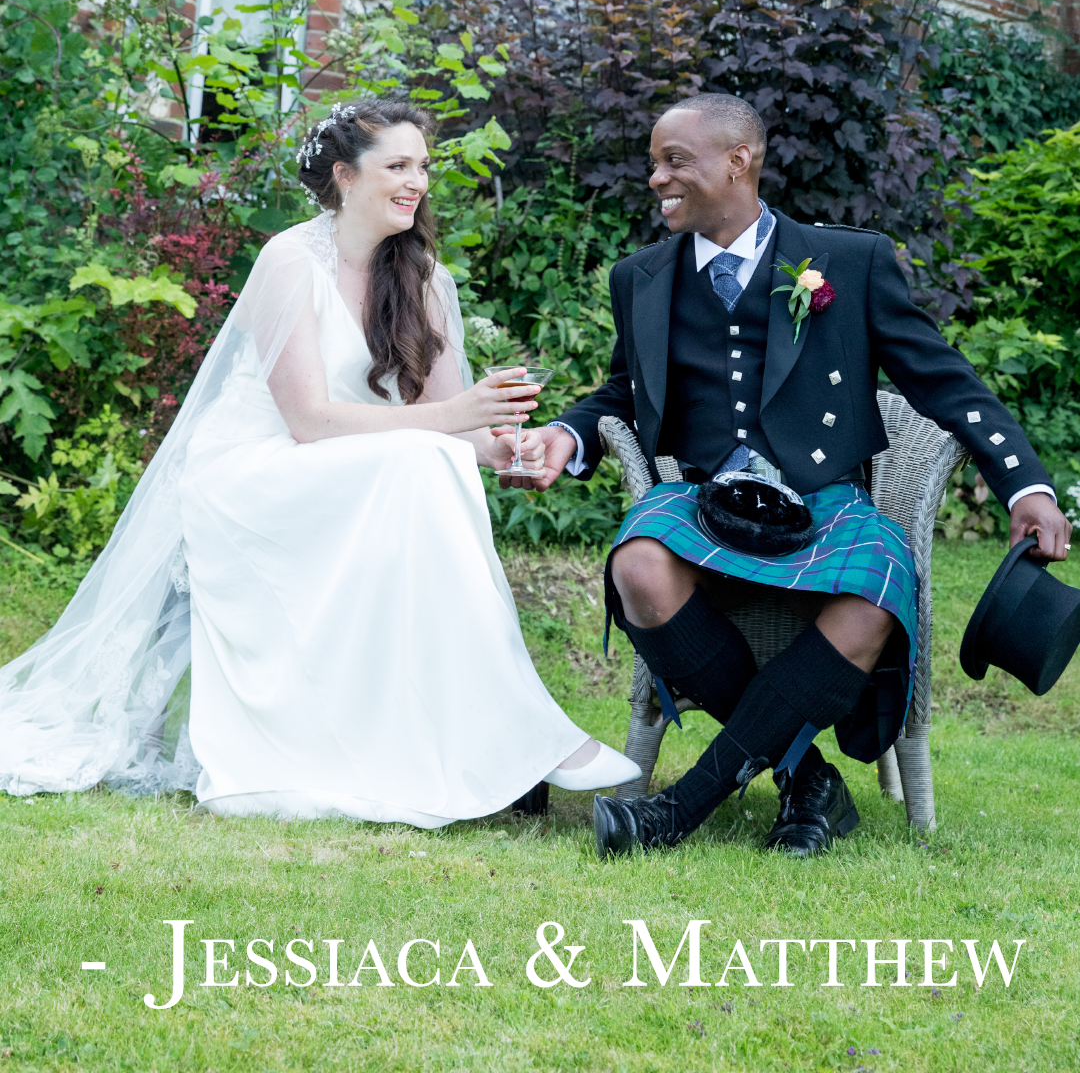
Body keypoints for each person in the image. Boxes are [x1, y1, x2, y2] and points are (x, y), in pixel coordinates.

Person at [0, 98, 638, 822]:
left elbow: (453, 428)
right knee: (420, 462)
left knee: (437, 464)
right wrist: (450, 425)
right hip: (255, 469)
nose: (417, 182)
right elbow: (305, 421)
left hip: (365, 466)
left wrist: (505, 446)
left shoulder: (422, 277)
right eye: (397, 166)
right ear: (344, 175)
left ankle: (494, 736)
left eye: (422, 167)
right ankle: (524, 733)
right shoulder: (290, 261)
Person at [530, 94, 1071, 859]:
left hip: (825, 500)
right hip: (706, 496)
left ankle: (681, 806)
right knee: (639, 564)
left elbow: (944, 380)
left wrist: (1026, 485)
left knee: (877, 584)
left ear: (737, 161)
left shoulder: (849, 262)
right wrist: (565, 434)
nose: (656, 178)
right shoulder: (641, 277)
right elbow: (623, 389)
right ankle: (807, 780)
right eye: (655, 163)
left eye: (674, 161)